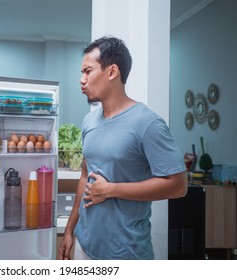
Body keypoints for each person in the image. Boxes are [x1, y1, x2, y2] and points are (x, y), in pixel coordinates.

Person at [58, 36, 187, 260]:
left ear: (112, 71)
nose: (81, 80)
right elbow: (85, 176)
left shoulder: (147, 124)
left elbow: (178, 186)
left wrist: (111, 189)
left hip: (126, 253)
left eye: (88, 71)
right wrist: (70, 231)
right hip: (85, 246)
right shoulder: (89, 121)